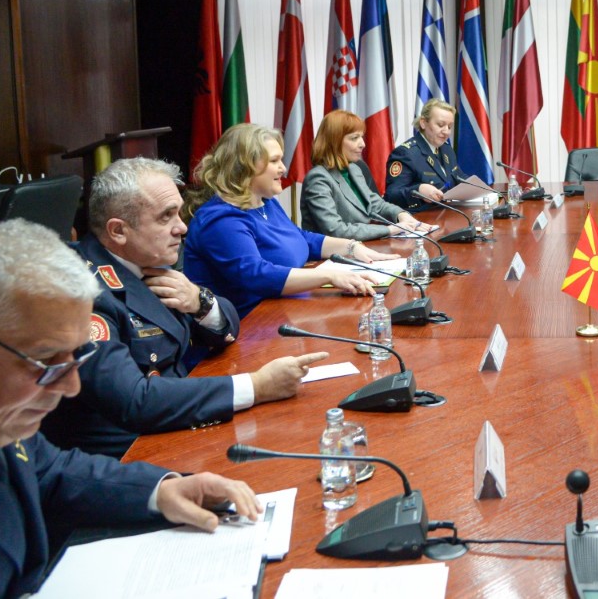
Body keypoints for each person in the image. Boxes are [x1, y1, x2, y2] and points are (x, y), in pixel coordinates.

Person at [0, 220, 263, 599]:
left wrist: (163, 490)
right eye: (45, 361)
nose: (71, 386)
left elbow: (50, 471)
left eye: (75, 357)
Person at [41, 158, 328, 458]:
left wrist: (198, 301)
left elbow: (227, 325)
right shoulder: (82, 293)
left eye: (178, 213)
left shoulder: (147, 260)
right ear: (118, 231)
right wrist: (256, 386)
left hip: (178, 424)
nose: (182, 227)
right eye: (166, 217)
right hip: (130, 454)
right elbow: (134, 401)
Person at [182, 124, 398, 318]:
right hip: (249, 327)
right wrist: (329, 276)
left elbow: (300, 238)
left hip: (285, 311)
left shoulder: (265, 202)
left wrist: (351, 247)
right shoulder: (221, 220)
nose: (283, 168)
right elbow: (255, 275)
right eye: (274, 161)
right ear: (245, 166)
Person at [301, 110, 434, 240]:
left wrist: (402, 215)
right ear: (334, 142)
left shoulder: (354, 169)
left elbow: (376, 205)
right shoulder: (318, 179)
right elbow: (336, 230)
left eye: (361, 137)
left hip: (360, 246)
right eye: (354, 138)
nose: (363, 144)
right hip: (332, 253)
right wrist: (391, 229)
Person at [384, 99, 465, 211]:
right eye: (441, 125)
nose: (446, 131)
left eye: (450, 126)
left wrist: (478, 188)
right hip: (420, 216)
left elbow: (458, 177)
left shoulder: (446, 149)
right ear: (423, 123)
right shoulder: (406, 153)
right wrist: (419, 190)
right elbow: (391, 196)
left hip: (448, 213)